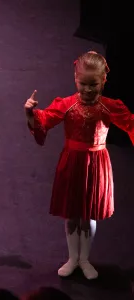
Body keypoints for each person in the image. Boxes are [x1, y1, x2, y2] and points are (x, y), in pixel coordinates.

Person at [24, 50, 134, 279]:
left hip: (96, 164)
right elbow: (44, 119)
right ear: (75, 79)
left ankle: (84, 259)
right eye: (82, 84)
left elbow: (130, 124)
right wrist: (30, 112)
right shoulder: (67, 104)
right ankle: (73, 258)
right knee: (72, 214)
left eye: (93, 85)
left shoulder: (109, 107)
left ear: (103, 81)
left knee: (89, 215)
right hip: (72, 163)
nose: (87, 90)